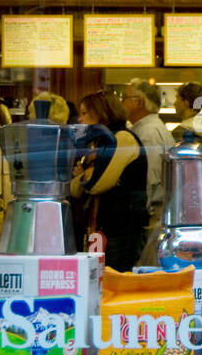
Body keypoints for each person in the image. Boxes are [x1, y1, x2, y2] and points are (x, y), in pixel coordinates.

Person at [72, 90, 150, 272]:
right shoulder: (99, 145)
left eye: (85, 112)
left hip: (123, 231)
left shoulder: (122, 139)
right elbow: (76, 189)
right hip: (104, 229)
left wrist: (86, 174)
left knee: (114, 281)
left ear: (102, 111)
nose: (80, 119)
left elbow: (97, 184)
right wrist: (86, 175)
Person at [122, 79, 174, 215]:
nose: (121, 103)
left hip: (149, 212)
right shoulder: (150, 128)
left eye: (124, 98)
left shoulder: (147, 133)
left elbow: (149, 178)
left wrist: (142, 212)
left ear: (139, 102)